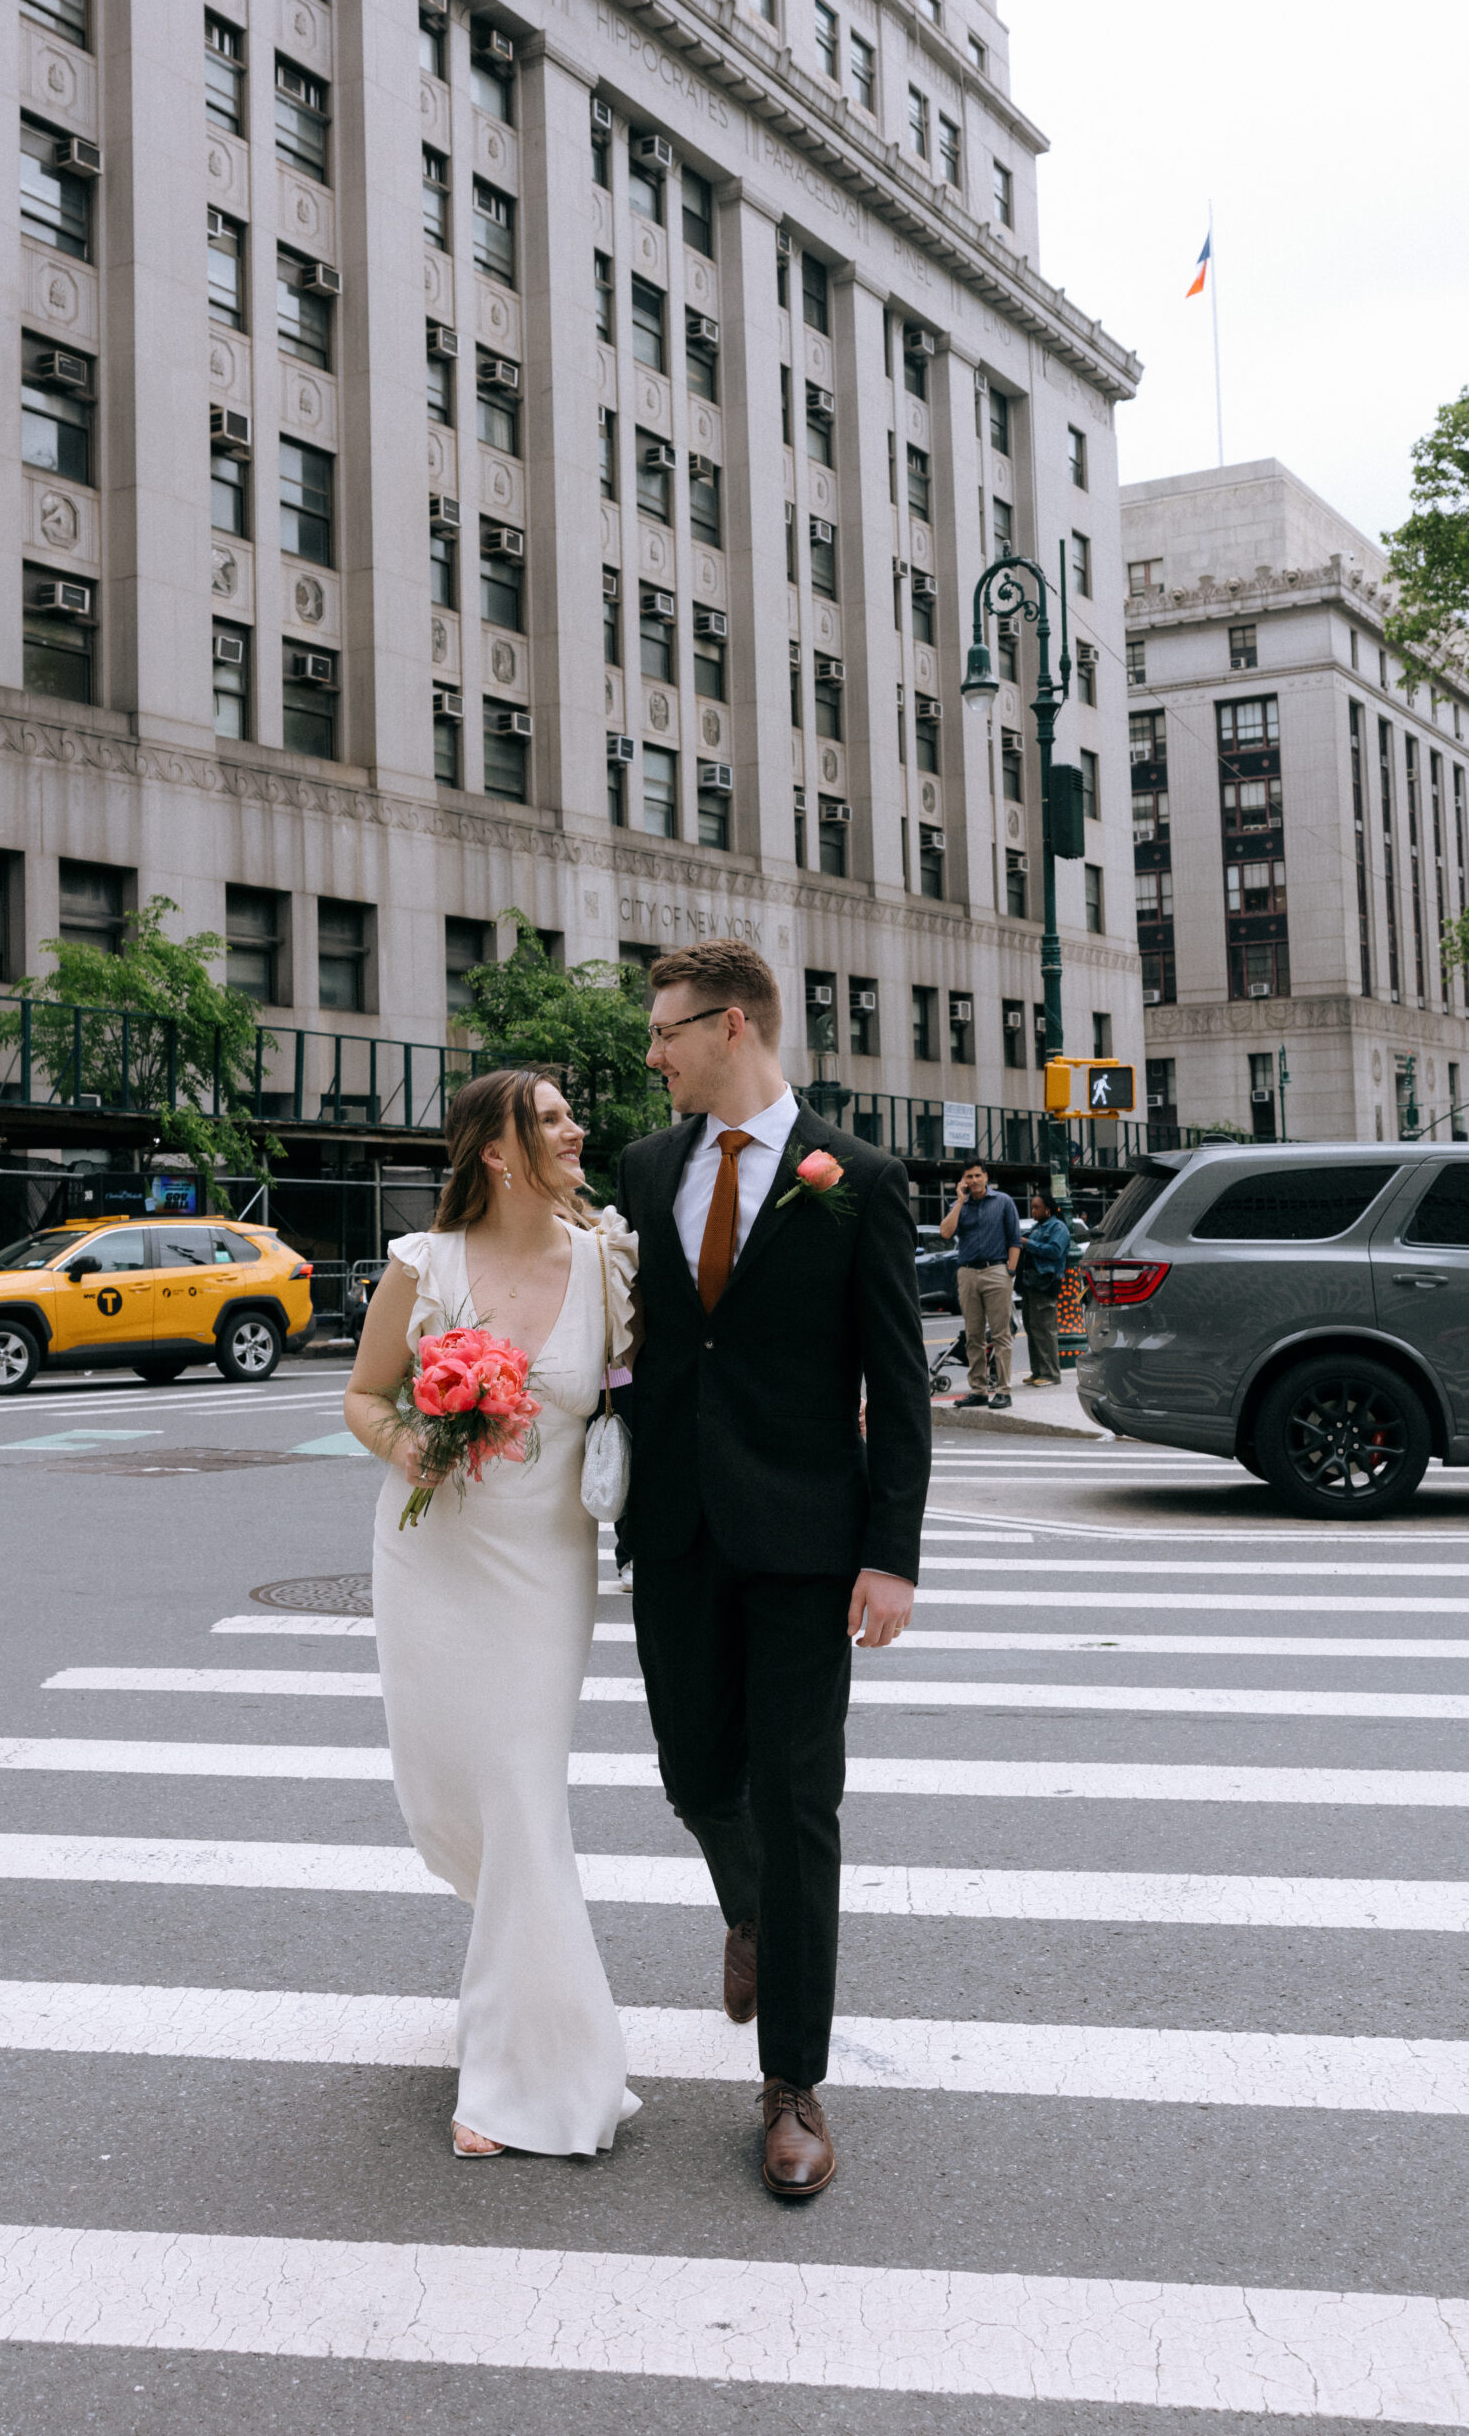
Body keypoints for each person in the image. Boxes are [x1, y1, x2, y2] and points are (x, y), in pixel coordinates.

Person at [616, 939, 930, 2200]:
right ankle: (745, 1909)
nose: (654, 1053)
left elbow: (899, 1382)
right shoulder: (647, 1170)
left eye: (667, 1031)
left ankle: (793, 2083)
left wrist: (890, 1554)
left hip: (807, 1541)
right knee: (697, 1773)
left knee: (801, 1805)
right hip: (677, 1530)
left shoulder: (856, 1178)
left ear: (730, 1026)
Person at [343, 1069, 641, 2162]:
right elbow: (365, 1396)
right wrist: (412, 1441)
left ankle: (536, 2080)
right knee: (450, 1803)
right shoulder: (425, 1268)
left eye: (572, 1111)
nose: (578, 1127)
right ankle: (519, 1970)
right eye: (554, 1117)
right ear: (500, 1152)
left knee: (521, 1794)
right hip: (431, 1556)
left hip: (542, 1565)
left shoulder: (609, 1263)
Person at [939, 1161, 1020, 1409]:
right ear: (962, 1181)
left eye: (977, 1175)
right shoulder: (959, 1205)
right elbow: (945, 1232)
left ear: (986, 1176)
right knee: (973, 1335)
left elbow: (1015, 1239)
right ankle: (979, 1390)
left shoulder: (1003, 1201)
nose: (973, 1180)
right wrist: (961, 1201)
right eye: (968, 1177)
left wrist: (1010, 1272)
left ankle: (1004, 1390)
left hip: (996, 1270)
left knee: (1000, 1334)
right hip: (967, 1273)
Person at [1016, 1190, 1071, 1386]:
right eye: (1032, 1207)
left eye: (1036, 1207)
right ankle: (1038, 1371)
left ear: (1048, 1210)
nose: (1033, 1211)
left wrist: (1028, 1243)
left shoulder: (1058, 1227)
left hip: (1045, 1281)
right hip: (1031, 1282)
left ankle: (1050, 1374)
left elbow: (1055, 1251)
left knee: (1045, 1329)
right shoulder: (1037, 1227)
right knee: (1032, 1327)